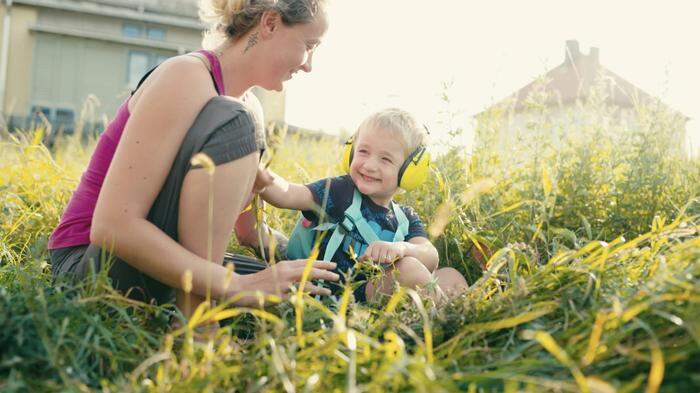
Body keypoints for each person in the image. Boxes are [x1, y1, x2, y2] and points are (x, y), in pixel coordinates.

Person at [47, 0, 339, 316]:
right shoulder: (186, 77)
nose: (309, 65)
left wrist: (309, 257)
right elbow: (112, 227)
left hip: (158, 255)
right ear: (269, 23)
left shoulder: (250, 108)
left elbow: (249, 230)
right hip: (88, 265)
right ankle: (196, 324)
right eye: (308, 46)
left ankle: (197, 308)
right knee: (236, 120)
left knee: (297, 299)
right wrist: (238, 286)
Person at [256, 108, 469, 302]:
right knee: (409, 269)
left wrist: (400, 248)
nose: (369, 165)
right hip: (336, 294)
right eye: (363, 151)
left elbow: (430, 256)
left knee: (451, 276)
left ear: (409, 172)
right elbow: (289, 194)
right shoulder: (340, 191)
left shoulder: (405, 218)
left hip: (376, 290)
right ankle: (448, 321)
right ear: (351, 151)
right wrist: (259, 174)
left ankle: (443, 315)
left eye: (385, 159)